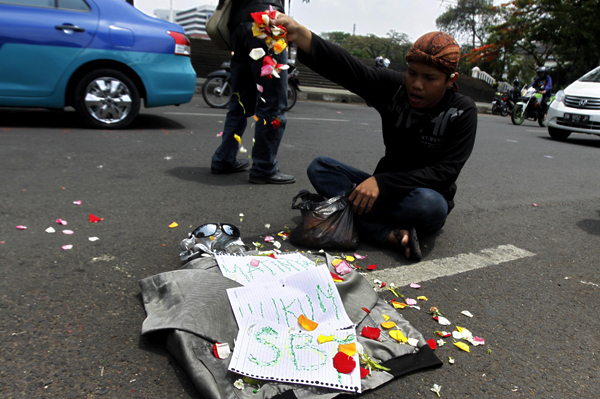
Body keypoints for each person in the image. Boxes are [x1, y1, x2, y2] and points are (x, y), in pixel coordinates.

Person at [275, 14, 477, 261]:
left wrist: (383, 183)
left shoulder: (462, 110)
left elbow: (445, 172)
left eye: (429, 78)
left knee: (430, 205)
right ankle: (386, 234)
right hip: (378, 190)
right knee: (321, 167)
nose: (417, 84)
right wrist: (301, 35)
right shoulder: (395, 88)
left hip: (418, 195)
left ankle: (345, 210)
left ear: (450, 80)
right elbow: (352, 71)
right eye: (412, 73)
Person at [210, 0, 295, 184]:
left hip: (239, 26)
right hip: (266, 22)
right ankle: (263, 167)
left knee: (239, 100)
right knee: (272, 102)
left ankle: (224, 158)